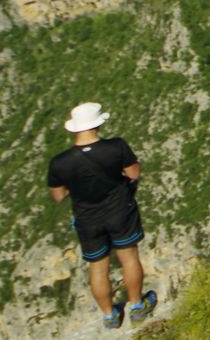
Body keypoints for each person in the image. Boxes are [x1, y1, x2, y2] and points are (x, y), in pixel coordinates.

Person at [47, 102, 158, 329]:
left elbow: (58, 196)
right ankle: (137, 306)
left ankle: (109, 315)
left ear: (74, 128)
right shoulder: (116, 147)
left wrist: (75, 185)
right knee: (129, 258)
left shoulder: (60, 162)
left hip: (87, 219)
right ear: (98, 124)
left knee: (98, 267)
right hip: (120, 211)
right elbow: (134, 173)